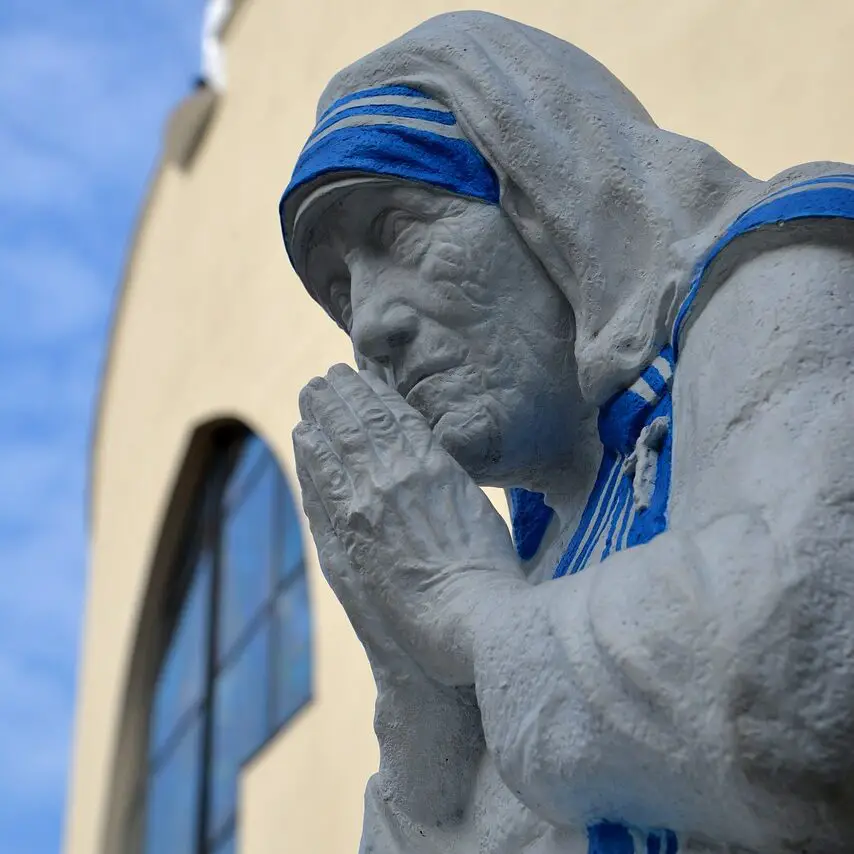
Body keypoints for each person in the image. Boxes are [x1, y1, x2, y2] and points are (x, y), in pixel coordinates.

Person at [279, 11, 854, 853]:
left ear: (549, 194)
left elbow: (802, 693)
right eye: (339, 291)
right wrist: (415, 676)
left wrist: (467, 611)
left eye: (399, 229)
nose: (368, 325)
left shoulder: (786, 289)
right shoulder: (534, 569)